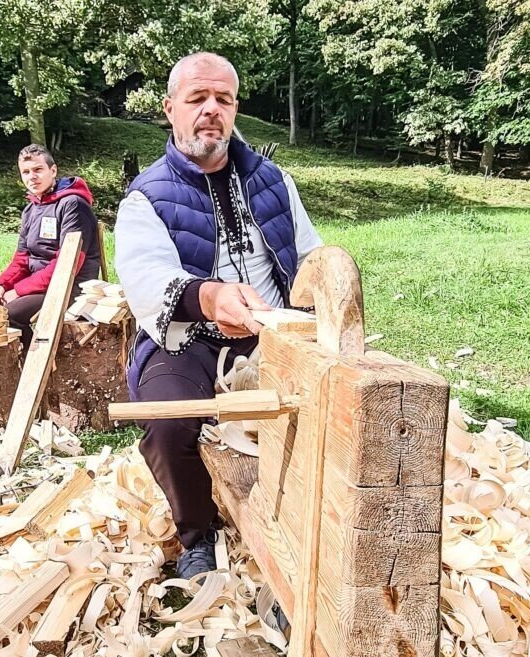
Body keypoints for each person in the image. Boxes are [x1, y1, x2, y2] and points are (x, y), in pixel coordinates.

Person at [114, 52, 323, 580]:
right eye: (197, 98)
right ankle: (197, 534)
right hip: (186, 335)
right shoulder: (146, 197)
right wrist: (209, 298)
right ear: (170, 109)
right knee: (167, 422)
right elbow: (146, 278)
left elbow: (310, 257)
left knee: (321, 416)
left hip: (272, 335)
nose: (211, 109)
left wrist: (312, 313)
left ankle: (299, 536)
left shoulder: (275, 181)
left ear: (234, 109)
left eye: (223, 99)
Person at [0, 144, 101, 346]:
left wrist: (19, 290)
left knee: (8, 316)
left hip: (71, 287)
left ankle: (34, 361)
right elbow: (21, 259)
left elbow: (68, 266)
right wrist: (1, 284)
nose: (32, 177)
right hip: (41, 286)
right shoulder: (30, 210)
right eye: (26, 172)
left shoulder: (73, 205)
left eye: (38, 169)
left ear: (53, 170)